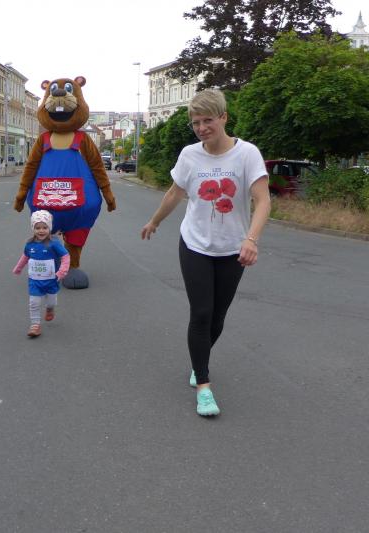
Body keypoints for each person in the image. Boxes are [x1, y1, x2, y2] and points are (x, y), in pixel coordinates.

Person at [140, 89, 271, 417]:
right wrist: (154, 221)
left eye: (207, 120)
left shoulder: (247, 154)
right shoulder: (189, 155)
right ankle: (203, 384)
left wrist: (251, 239)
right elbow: (175, 193)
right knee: (200, 313)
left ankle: (199, 360)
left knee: (217, 316)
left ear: (224, 117)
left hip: (233, 248)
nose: (201, 128)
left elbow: (263, 200)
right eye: (195, 123)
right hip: (195, 244)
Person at [12, 210, 70, 337]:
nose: (41, 231)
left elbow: (65, 256)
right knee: (34, 303)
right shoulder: (30, 244)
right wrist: (18, 268)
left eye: (44, 227)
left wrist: (62, 271)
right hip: (35, 280)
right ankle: (35, 325)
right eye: (37, 228)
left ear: (49, 228)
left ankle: (49, 308)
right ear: (33, 228)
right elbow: (25, 256)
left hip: (52, 279)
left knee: (51, 302)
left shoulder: (54, 243)